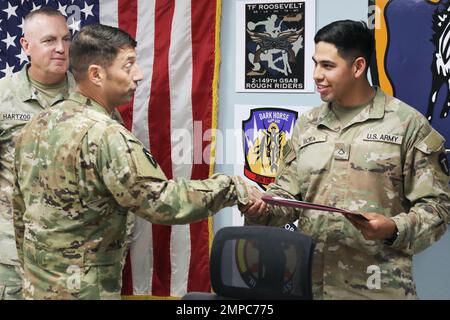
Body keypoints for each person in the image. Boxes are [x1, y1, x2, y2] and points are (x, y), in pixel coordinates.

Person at [12, 24, 260, 300]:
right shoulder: (105, 134)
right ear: (96, 74)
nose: (139, 75)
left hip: (35, 289)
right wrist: (230, 187)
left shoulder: (35, 125)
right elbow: (161, 202)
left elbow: (20, 213)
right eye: (128, 65)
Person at [243, 20, 450, 299]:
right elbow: (286, 196)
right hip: (309, 286)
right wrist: (263, 210)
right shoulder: (307, 125)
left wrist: (393, 228)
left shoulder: (406, 124)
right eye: (315, 63)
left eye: (327, 66)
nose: (316, 74)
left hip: (378, 289)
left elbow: (438, 209)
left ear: (358, 67)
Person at [0, 8, 75, 300]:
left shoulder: (91, 98)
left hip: (74, 261)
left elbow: (117, 179)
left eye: (66, 39)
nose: (60, 48)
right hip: (12, 259)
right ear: (25, 45)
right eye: (49, 40)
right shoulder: (3, 97)